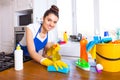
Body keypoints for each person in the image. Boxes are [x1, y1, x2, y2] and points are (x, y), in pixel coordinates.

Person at [19, 5, 68, 70]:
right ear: (43, 18)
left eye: (54, 22)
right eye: (49, 20)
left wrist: (52, 54)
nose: (51, 24)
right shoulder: (31, 28)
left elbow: (44, 55)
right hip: (19, 58)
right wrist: (48, 62)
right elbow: (32, 51)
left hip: (32, 60)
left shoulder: (50, 34)